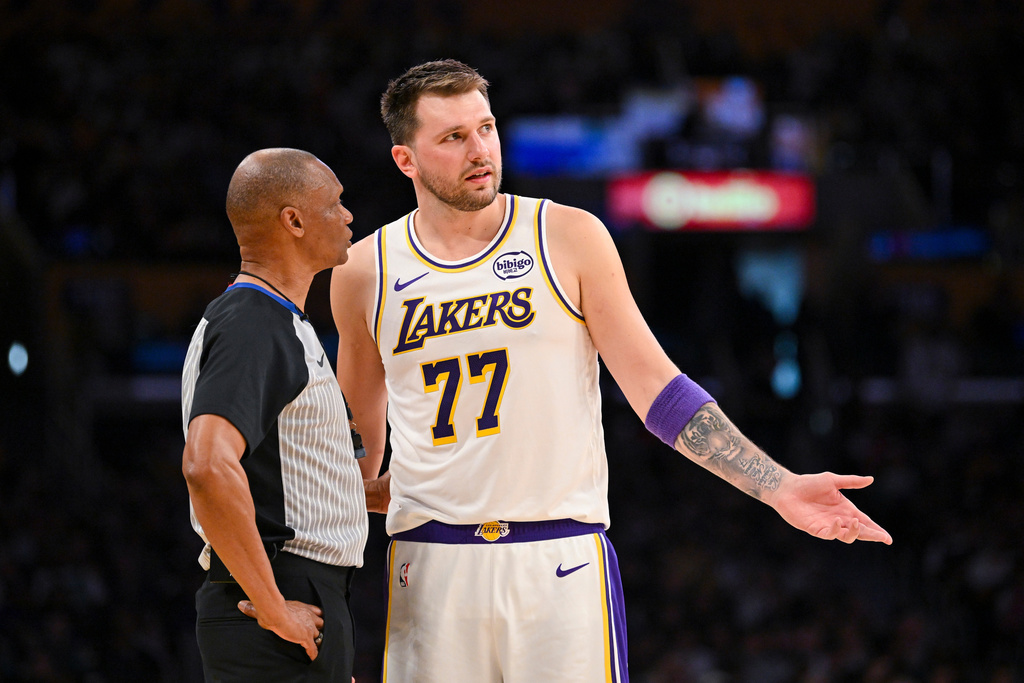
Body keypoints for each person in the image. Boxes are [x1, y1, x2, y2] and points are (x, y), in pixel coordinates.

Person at [330, 60, 892, 683]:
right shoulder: (362, 272)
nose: (479, 149)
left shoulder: (567, 235)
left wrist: (777, 485)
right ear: (405, 160)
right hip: (429, 566)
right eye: (453, 137)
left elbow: (660, 391)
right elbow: (352, 457)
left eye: (485, 128)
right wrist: (320, 598)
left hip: (559, 559)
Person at [181, 147, 367, 682]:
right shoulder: (254, 322)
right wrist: (273, 607)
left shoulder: (273, 319)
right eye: (336, 203)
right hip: (276, 600)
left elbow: (278, 471)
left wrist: (363, 495)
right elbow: (207, 466)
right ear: (294, 220)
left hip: (299, 598)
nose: (348, 215)